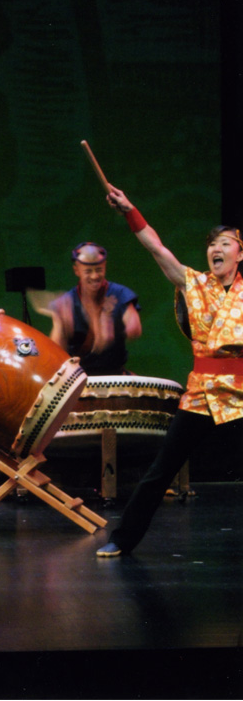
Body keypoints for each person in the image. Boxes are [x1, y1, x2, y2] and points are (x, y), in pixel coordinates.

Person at [96, 187, 243, 557]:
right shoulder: (195, 283)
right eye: (212, 244)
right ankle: (123, 538)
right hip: (201, 390)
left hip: (241, 389)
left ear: (239, 254)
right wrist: (130, 210)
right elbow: (157, 248)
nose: (216, 249)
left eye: (225, 243)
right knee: (161, 470)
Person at [48, 241, 143, 376]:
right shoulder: (65, 302)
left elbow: (135, 330)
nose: (94, 276)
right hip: (76, 377)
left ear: (105, 266)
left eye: (99, 270)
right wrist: (63, 326)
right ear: (77, 270)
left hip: (115, 374)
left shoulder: (120, 293)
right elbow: (56, 349)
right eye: (88, 271)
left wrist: (112, 325)